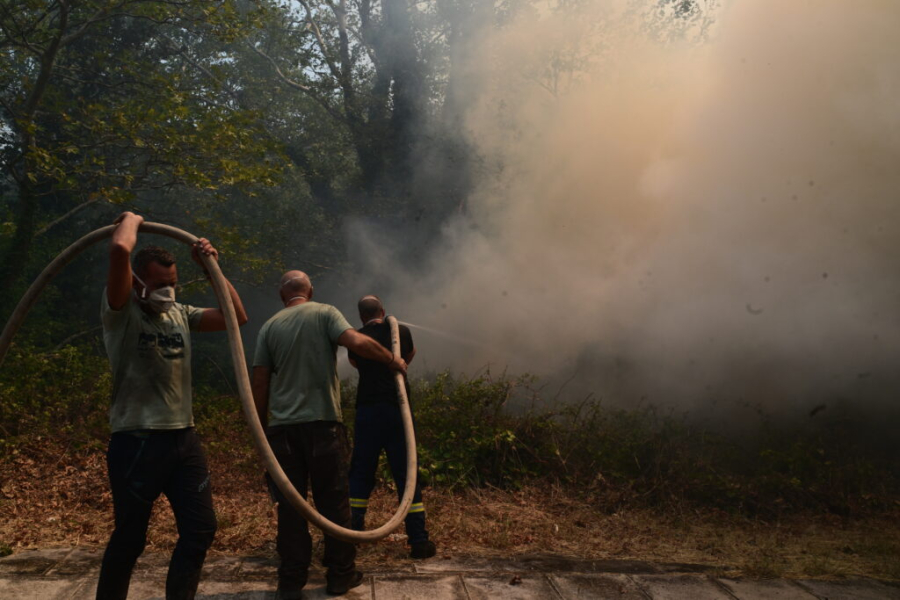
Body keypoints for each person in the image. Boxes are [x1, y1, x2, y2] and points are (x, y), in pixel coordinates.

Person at [97, 211, 249, 600]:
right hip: (136, 442)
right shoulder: (121, 313)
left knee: (201, 529)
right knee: (130, 539)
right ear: (137, 282)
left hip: (184, 440)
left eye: (173, 284)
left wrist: (211, 268)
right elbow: (119, 248)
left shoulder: (181, 313)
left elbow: (236, 317)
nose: (168, 291)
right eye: (159, 285)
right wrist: (131, 219)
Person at [251, 271, 407, 599]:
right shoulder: (325, 312)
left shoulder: (269, 327)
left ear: (282, 295)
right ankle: (340, 576)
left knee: (290, 507)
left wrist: (262, 429)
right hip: (323, 426)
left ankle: (291, 582)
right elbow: (358, 343)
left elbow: (260, 381)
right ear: (311, 291)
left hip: (282, 431)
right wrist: (392, 359)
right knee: (334, 502)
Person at [347, 295, 436, 559]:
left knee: (361, 472)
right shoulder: (402, 332)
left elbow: (355, 363)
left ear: (361, 316)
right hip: (399, 410)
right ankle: (418, 540)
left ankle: (352, 535)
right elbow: (408, 356)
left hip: (368, 411)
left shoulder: (356, 339)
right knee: (407, 473)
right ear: (383, 310)